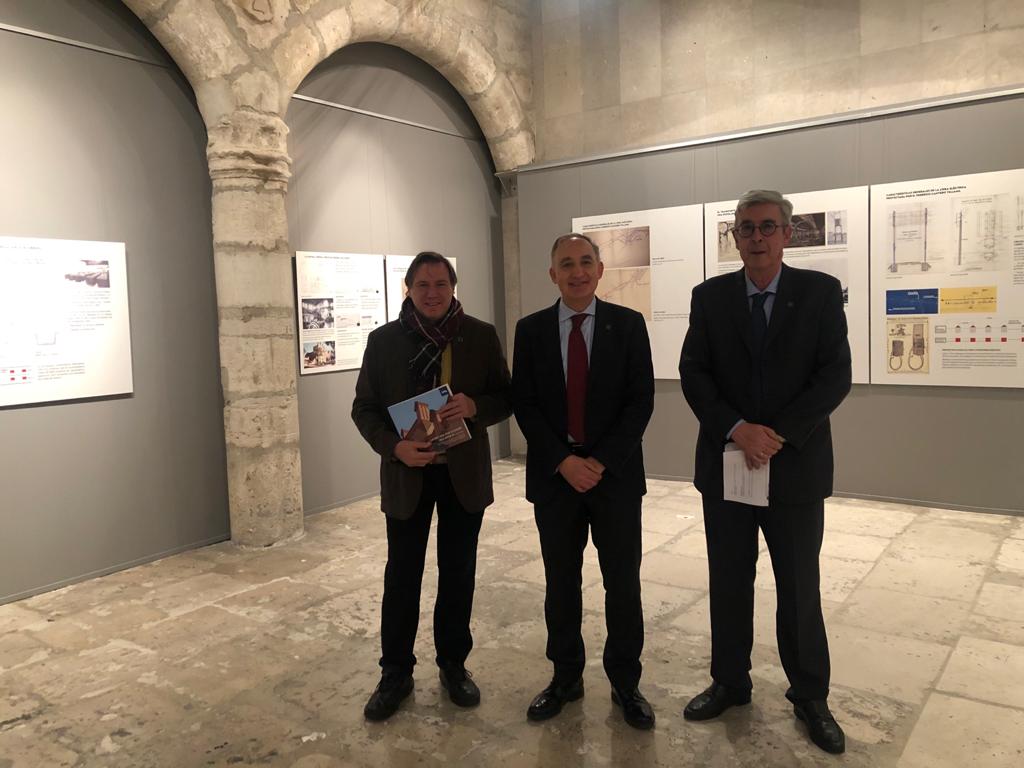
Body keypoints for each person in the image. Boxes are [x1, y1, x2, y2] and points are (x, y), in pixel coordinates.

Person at [678, 190, 852, 754]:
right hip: (728, 464)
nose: (756, 238)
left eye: (767, 228)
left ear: (787, 233)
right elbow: (694, 372)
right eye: (746, 229)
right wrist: (737, 428)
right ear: (735, 237)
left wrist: (773, 435)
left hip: (794, 468)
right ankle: (730, 681)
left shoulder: (820, 294)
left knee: (799, 587)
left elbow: (834, 377)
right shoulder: (709, 297)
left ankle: (809, 695)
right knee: (729, 581)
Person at [351, 251, 512, 721]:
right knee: (402, 576)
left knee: (458, 573)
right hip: (408, 474)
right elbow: (364, 409)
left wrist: (475, 406)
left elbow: (506, 396)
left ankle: (454, 665)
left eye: (441, 283)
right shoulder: (383, 342)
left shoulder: (479, 336)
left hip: (461, 474)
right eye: (423, 285)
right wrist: (393, 447)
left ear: (453, 286)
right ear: (409, 288)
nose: (433, 292)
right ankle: (395, 673)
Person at [512, 233, 656, 730]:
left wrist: (599, 461)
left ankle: (625, 682)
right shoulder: (530, 330)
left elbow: (641, 401)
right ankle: (565, 677)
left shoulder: (628, 325)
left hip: (613, 478)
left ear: (600, 271)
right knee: (561, 583)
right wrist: (562, 461)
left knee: (622, 584)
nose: (577, 272)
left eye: (586, 262)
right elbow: (524, 404)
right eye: (566, 264)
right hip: (555, 479)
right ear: (552, 274)